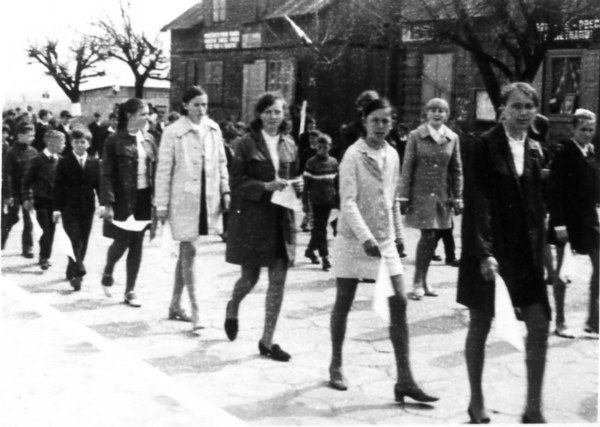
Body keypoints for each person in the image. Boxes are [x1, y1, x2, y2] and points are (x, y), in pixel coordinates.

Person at [328, 97, 438, 405]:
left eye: (385, 121)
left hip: (385, 240)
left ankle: (405, 379)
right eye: (374, 120)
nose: (380, 126)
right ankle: (336, 364)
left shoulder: (392, 153)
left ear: (392, 124)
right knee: (344, 301)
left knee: (399, 302)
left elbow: (392, 200)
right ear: (364, 122)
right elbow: (348, 202)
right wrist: (365, 238)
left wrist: (398, 235)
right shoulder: (352, 155)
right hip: (353, 239)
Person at [457, 82, 550, 424]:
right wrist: (484, 253)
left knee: (539, 325)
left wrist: (547, 254)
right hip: (491, 249)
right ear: (502, 110)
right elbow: (478, 201)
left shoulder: (537, 150)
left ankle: (533, 407)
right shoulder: (484, 146)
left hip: (525, 252)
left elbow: (538, 207)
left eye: (529, 106)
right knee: (481, 323)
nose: (524, 112)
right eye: (517, 106)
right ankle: (476, 401)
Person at [224, 92, 303, 361]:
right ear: (259, 114)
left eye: (277, 112)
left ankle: (267, 341)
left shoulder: (290, 143)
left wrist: (299, 185)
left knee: (278, 280)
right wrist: (265, 187)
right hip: (254, 220)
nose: (273, 117)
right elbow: (236, 183)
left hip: (281, 220)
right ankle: (233, 305)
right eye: (268, 112)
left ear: (284, 115)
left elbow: (294, 177)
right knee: (250, 279)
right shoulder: (245, 144)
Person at [155, 86, 230, 331]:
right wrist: (161, 204)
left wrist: (226, 190)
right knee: (190, 249)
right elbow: (163, 170)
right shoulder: (172, 132)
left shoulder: (213, 129)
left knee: (188, 250)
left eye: (204, 104)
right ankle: (197, 311)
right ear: (185, 105)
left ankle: (175, 304)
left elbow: (221, 162)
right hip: (183, 199)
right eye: (196, 104)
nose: (201, 109)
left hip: (207, 198)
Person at [400, 98, 463, 300]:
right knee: (428, 236)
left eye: (441, 110)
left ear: (447, 115)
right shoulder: (415, 136)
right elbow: (407, 166)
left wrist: (458, 197)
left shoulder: (452, 138)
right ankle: (418, 282)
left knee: (433, 238)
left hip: (441, 196)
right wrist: (403, 195)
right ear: (426, 113)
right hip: (420, 194)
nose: (437, 114)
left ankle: (424, 280)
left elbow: (457, 170)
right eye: (433, 110)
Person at [100, 98, 157, 307]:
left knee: (137, 242)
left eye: (148, 114)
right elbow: (106, 173)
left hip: (143, 198)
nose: (147, 118)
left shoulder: (149, 139)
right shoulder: (114, 140)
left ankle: (130, 290)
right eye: (143, 114)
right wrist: (108, 203)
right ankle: (108, 270)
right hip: (123, 198)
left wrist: (158, 201)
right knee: (122, 240)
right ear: (130, 115)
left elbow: (156, 170)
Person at [548, 108, 599, 338]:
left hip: (588, 219)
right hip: (566, 221)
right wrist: (559, 225)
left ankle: (593, 320)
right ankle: (560, 321)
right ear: (573, 129)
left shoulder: (591, 152)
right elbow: (554, 190)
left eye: (591, 129)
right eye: (583, 129)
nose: (588, 133)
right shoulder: (564, 152)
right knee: (562, 271)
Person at [53, 127, 101, 291]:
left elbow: (99, 185)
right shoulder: (64, 162)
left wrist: (103, 204)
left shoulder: (94, 162)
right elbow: (58, 186)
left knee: (83, 240)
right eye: (76, 142)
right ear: (71, 143)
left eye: (82, 142)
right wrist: (56, 208)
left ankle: (72, 268)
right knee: (74, 240)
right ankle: (78, 272)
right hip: (68, 206)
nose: (79, 145)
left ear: (88, 144)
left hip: (87, 207)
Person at [22, 130, 66, 270]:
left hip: (55, 201)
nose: (64, 145)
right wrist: (27, 198)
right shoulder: (37, 160)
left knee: (51, 229)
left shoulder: (61, 160)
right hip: (41, 199)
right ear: (51, 143)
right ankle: (44, 257)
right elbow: (27, 182)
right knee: (45, 229)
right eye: (62, 142)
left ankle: (45, 255)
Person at [302, 132, 338, 271]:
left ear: (330, 147)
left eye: (325, 147)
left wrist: (338, 199)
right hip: (315, 201)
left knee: (320, 228)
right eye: (320, 147)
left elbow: (337, 182)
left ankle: (310, 250)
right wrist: (305, 203)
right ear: (316, 147)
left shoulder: (333, 162)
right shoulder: (311, 162)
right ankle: (325, 257)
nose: (323, 150)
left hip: (329, 201)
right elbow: (306, 185)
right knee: (321, 229)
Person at [1, 123, 38, 255]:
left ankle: (27, 247)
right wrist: (8, 195)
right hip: (14, 191)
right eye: (30, 135)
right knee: (13, 216)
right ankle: (1, 237)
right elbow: (7, 175)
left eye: (33, 135)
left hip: (28, 192)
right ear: (20, 136)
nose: (33, 138)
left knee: (29, 220)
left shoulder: (33, 152)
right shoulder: (11, 153)